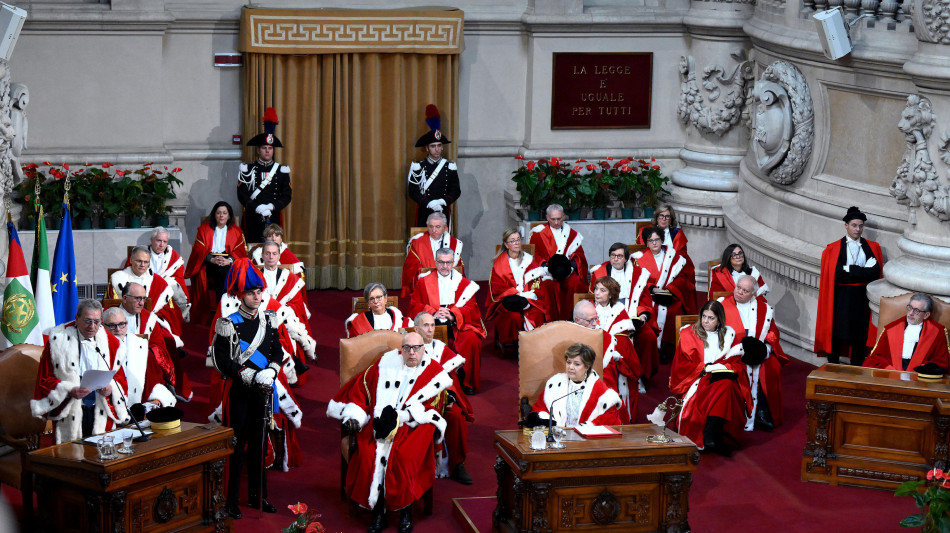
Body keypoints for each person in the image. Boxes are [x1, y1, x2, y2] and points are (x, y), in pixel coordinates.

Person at [327, 332, 451, 533]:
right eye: (407, 348)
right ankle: (378, 510)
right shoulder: (385, 364)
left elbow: (434, 408)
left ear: (423, 349)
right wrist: (356, 415)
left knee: (404, 457)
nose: (412, 353)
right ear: (401, 349)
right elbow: (361, 388)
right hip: (380, 424)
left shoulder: (434, 373)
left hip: (413, 427)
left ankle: (405, 510)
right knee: (368, 455)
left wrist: (406, 416)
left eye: (416, 348)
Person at [209, 262, 283, 519]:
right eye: (252, 292)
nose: (257, 296)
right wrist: (244, 373)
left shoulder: (269, 319)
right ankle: (230, 501)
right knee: (236, 446)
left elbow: (277, 352)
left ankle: (258, 495)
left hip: (262, 390)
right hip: (238, 392)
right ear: (241, 294)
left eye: (259, 292)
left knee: (260, 445)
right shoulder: (227, 323)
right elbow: (220, 360)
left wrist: (272, 370)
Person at [31, 299, 130, 444]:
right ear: (77, 319)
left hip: (100, 410)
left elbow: (120, 379)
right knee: (72, 458)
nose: (92, 326)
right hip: (70, 411)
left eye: (97, 322)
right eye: (87, 321)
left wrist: (111, 389)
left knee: (102, 457)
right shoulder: (57, 341)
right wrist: (69, 390)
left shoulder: (112, 343)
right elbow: (44, 380)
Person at [670, 301, 752, 456]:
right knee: (725, 386)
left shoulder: (728, 336)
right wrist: (706, 368)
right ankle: (712, 436)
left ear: (719, 320)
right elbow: (681, 365)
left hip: (719, 379)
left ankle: (711, 434)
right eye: (704, 316)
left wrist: (726, 368)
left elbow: (737, 363)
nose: (706, 321)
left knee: (727, 384)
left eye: (711, 318)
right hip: (697, 379)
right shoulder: (689, 334)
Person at [409, 248, 486, 394]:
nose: (445, 266)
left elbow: (472, 309)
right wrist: (432, 312)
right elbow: (414, 305)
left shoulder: (464, 284)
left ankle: (466, 382)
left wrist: (453, 314)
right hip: (432, 324)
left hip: (457, 324)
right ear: (435, 262)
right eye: (441, 262)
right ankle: (429, 382)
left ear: (453, 263)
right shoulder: (424, 282)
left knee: (472, 340)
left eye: (448, 262)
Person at [717, 275, 789, 431]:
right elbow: (712, 333)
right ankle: (737, 413)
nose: (739, 292)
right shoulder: (721, 306)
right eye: (738, 288)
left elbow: (772, 333)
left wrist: (765, 349)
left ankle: (762, 411)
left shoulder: (764, 309)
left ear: (753, 294)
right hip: (731, 352)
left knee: (772, 366)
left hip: (757, 351)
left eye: (745, 290)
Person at [814, 206, 884, 366]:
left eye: (860, 226)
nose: (858, 229)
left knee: (860, 333)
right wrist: (862, 270)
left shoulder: (873, 247)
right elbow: (838, 274)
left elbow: (874, 273)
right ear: (846, 225)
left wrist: (850, 269)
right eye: (854, 225)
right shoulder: (833, 249)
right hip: (841, 296)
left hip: (862, 297)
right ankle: (832, 365)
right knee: (837, 331)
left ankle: (857, 367)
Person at [414, 312, 474, 485]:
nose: (430, 329)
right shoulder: (410, 347)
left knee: (456, 415)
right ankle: (418, 466)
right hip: (417, 402)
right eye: (426, 325)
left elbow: (452, 380)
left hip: (440, 399)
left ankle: (457, 465)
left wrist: (449, 395)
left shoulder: (441, 349)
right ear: (416, 328)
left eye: (433, 325)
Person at [589, 242, 660, 385]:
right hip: (606, 316)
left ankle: (642, 377)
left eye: (620, 256)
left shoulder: (639, 274)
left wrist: (642, 316)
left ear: (626, 258)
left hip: (632, 315)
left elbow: (645, 298)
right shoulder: (599, 272)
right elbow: (591, 297)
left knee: (649, 337)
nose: (616, 259)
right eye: (613, 255)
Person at [486, 228, 553, 354]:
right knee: (514, 317)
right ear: (506, 244)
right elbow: (496, 288)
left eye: (518, 240)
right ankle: (519, 346)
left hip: (528, 298)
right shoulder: (499, 264)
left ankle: (532, 345)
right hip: (509, 301)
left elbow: (537, 281)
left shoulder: (529, 260)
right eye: (512, 241)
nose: (516, 243)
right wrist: (515, 294)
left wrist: (529, 294)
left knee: (537, 312)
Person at [572, 300, 641, 423]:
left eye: (596, 319)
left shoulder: (605, 338)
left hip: (600, 391)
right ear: (577, 320)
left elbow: (609, 380)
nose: (595, 324)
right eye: (590, 321)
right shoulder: (565, 336)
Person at [634, 226, 697, 356]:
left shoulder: (674, 257)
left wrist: (669, 289)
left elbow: (682, 278)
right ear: (646, 243)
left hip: (671, 296)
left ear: (662, 240)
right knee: (650, 310)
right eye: (651, 241)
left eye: (657, 239)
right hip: (649, 295)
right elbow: (637, 278)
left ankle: (667, 348)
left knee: (674, 311)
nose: (654, 243)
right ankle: (653, 348)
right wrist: (652, 287)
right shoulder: (638, 258)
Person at [114, 282, 184, 401]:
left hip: (142, 363)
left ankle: (146, 401)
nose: (142, 303)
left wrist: (141, 350)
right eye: (137, 299)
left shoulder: (149, 319)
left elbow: (159, 346)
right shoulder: (110, 315)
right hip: (116, 358)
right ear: (125, 298)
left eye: (144, 298)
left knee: (150, 358)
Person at [525, 343, 622, 428]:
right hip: (558, 436)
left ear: (586, 367)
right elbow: (541, 408)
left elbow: (610, 416)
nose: (570, 367)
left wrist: (586, 427)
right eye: (568, 362)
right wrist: (544, 419)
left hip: (585, 440)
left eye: (576, 364)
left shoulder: (598, 388)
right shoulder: (555, 383)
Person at [184, 201, 248, 325]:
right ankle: (222, 309)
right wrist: (211, 259)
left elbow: (240, 252)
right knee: (220, 271)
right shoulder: (204, 229)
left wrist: (228, 260)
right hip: (208, 262)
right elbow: (198, 249)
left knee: (223, 271)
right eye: (218, 213)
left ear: (229, 216)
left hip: (228, 262)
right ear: (214, 215)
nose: (221, 216)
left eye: (225, 213)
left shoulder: (236, 231)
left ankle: (222, 309)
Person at [102, 307, 175, 409]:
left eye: (121, 324)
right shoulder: (95, 349)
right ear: (103, 326)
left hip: (136, 411)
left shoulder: (141, 349)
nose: (118, 329)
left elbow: (154, 384)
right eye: (112, 326)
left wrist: (155, 402)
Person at [238, 107, 293, 243]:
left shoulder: (282, 170)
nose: (267, 151)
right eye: (264, 148)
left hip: (273, 215)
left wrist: (272, 207)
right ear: (258, 150)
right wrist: (257, 207)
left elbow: (287, 195)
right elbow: (241, 194)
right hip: (252, 216)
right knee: (251, 248)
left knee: (272, 249)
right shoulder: (247, 169)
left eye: (270, 148)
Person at [529, 204, 589, 321]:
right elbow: (534, 256)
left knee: (576, 283)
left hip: (567, 271)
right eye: (553, 219)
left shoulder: (572, 234)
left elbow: (579, 256)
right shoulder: (538, 233)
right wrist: (546, 268)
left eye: (559, 218)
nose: (556, 222)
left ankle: (572, 319)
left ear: (564, 217)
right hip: (546, 272)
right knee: (547, 286)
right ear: (547, 217)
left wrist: (570, 268)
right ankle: (550, 321)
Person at [110, 246, 184, 338]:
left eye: (146, 262)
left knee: (164, 338)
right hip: (122, 320)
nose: (142, 265)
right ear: (131, 260)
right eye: (139, 261)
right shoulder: (118, 279)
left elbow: (168, 309)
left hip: (151, 320)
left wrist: (151, 316)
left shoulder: (158, 281)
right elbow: (110, 304)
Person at [864, 293, 950, 371]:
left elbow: (942, 361)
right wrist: (890, 370)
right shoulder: (891, 329)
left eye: (916, 310)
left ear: (926, 315)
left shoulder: (937, 332)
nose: (911, 313)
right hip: (891, 374)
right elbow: (877, 357)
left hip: (920, 379)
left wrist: (923, 370)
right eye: (910, 308)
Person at [408, 104, 460, 227]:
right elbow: (413, 191)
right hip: (424, 211)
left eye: (439, 145)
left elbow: (456, 190)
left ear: (442, 147)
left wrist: (443, 201)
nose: (436, 149)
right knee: (423, 244)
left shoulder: (450, 166)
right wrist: (428, 203)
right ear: (427, 148)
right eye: (433, 146)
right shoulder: (418, 166)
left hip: (443, 211)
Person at [401, 212, 464, 299]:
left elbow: (459, 268)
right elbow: (410, 268)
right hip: (425, 287)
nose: (434, 230)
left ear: (445, 228)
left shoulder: (454, 243)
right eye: (431, 226)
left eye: (438, 227)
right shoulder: (418, 242)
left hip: (449, 286)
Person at [259, 240, 313, 338]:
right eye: (267, 253)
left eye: (274, 254)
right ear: (262, 256)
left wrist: (281, 312)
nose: (271, 257)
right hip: (260, 321)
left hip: (285, 322)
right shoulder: (254, 277)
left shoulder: (290, 278)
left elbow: (297, 305)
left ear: (279, 256)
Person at [138, 226, 190, 321]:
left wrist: (163, 283)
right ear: (151, 240)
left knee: (169, 318)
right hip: (143, 294)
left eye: (165, 242)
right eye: (159, 241)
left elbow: (179, 281)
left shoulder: (174, 258)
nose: (162, 245)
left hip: (166, 296)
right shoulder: (140, 254)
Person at [345, 282, 410, 338]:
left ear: (385, 298)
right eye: (372, 299)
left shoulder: (398, 317)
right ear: (368, 303)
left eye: (379, 297)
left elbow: (407, 339)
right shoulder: (360, 321)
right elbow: (354, 345)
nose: (376, 301)